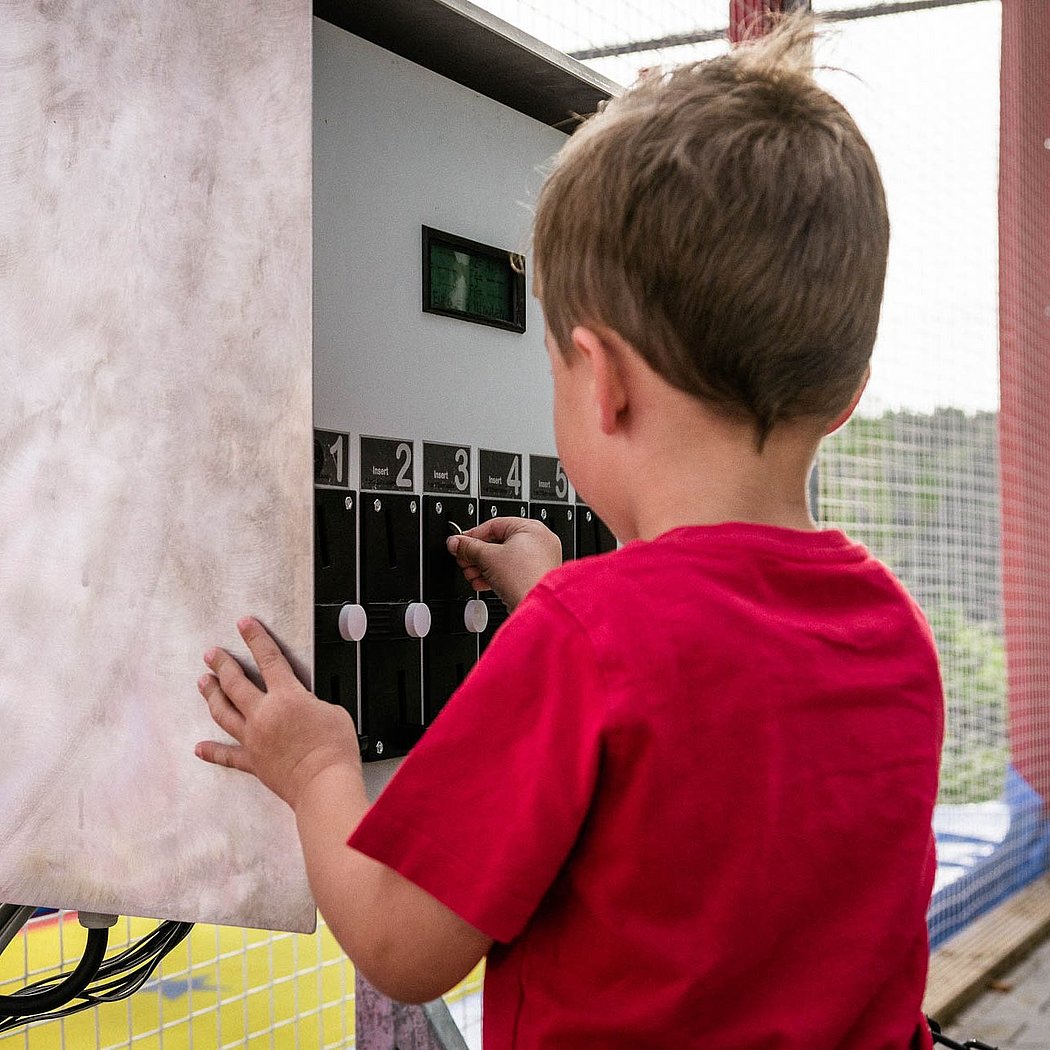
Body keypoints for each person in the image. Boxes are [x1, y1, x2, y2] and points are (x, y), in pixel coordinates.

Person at [196, 14, 944, 1048]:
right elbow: (699, 722)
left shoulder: (591, 640)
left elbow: (403, 945)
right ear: (849, 394)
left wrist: (318, 765)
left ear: (600, 379)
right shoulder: (890, 628)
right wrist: (556, 599)